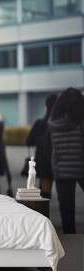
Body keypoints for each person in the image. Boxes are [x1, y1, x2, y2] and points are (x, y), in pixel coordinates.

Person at [49, 87, 84, 234]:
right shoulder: (81, 122)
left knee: (67, 213)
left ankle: (71, 245)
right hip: (81, 168)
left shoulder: (53, 124)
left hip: (61, 171)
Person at [26, 94, 58, 199]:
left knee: (44, 190)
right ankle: (43, 211)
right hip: (55, 160)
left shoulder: (40, 123)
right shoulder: (59, 123)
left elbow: (28, 141)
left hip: (42, 159)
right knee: (47, 190)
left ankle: (41, 210)